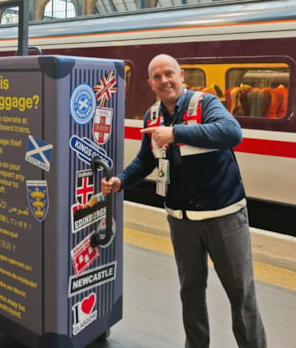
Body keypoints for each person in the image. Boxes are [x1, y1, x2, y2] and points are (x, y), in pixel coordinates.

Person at [101, 54, 266, 348]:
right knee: (190, 291)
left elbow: (232, 132)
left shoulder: (205, 104)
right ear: (150, 83)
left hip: (224, 216)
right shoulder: (152, 116)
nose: (164, 81)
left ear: (181, 76)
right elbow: (145, 160)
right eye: (157, 76)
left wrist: (175, 133)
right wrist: (121, 181)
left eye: (169, 74)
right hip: (181, 219)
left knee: (241, 292)